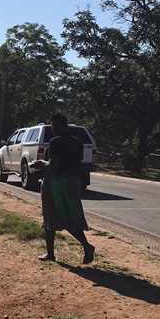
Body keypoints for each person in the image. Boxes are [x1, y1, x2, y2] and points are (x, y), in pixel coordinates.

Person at [35, 113, 95, 264]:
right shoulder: (78, 142)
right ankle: (85, 245)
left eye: (54, 125)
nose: (53, 129)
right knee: (71, 217)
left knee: (50, 217)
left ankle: (51, 253)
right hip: (73, 182)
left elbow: (54, 165)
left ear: (61, 125)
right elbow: (77, 164)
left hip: (55, 183)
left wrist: (41, 163)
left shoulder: (55, 142)